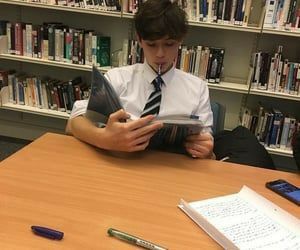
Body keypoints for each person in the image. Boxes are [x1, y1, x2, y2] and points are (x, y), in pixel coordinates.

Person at [66, 0, 214, 159]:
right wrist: (103, 138)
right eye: (151, 44)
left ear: (181, 39)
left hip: (172, 171)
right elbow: (73, 123)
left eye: (169, 44)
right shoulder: (117, 78)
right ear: (140, 39)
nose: (160, 54)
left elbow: (206, 145)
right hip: (121, 165)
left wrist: (205, 148)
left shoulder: (198, 88)